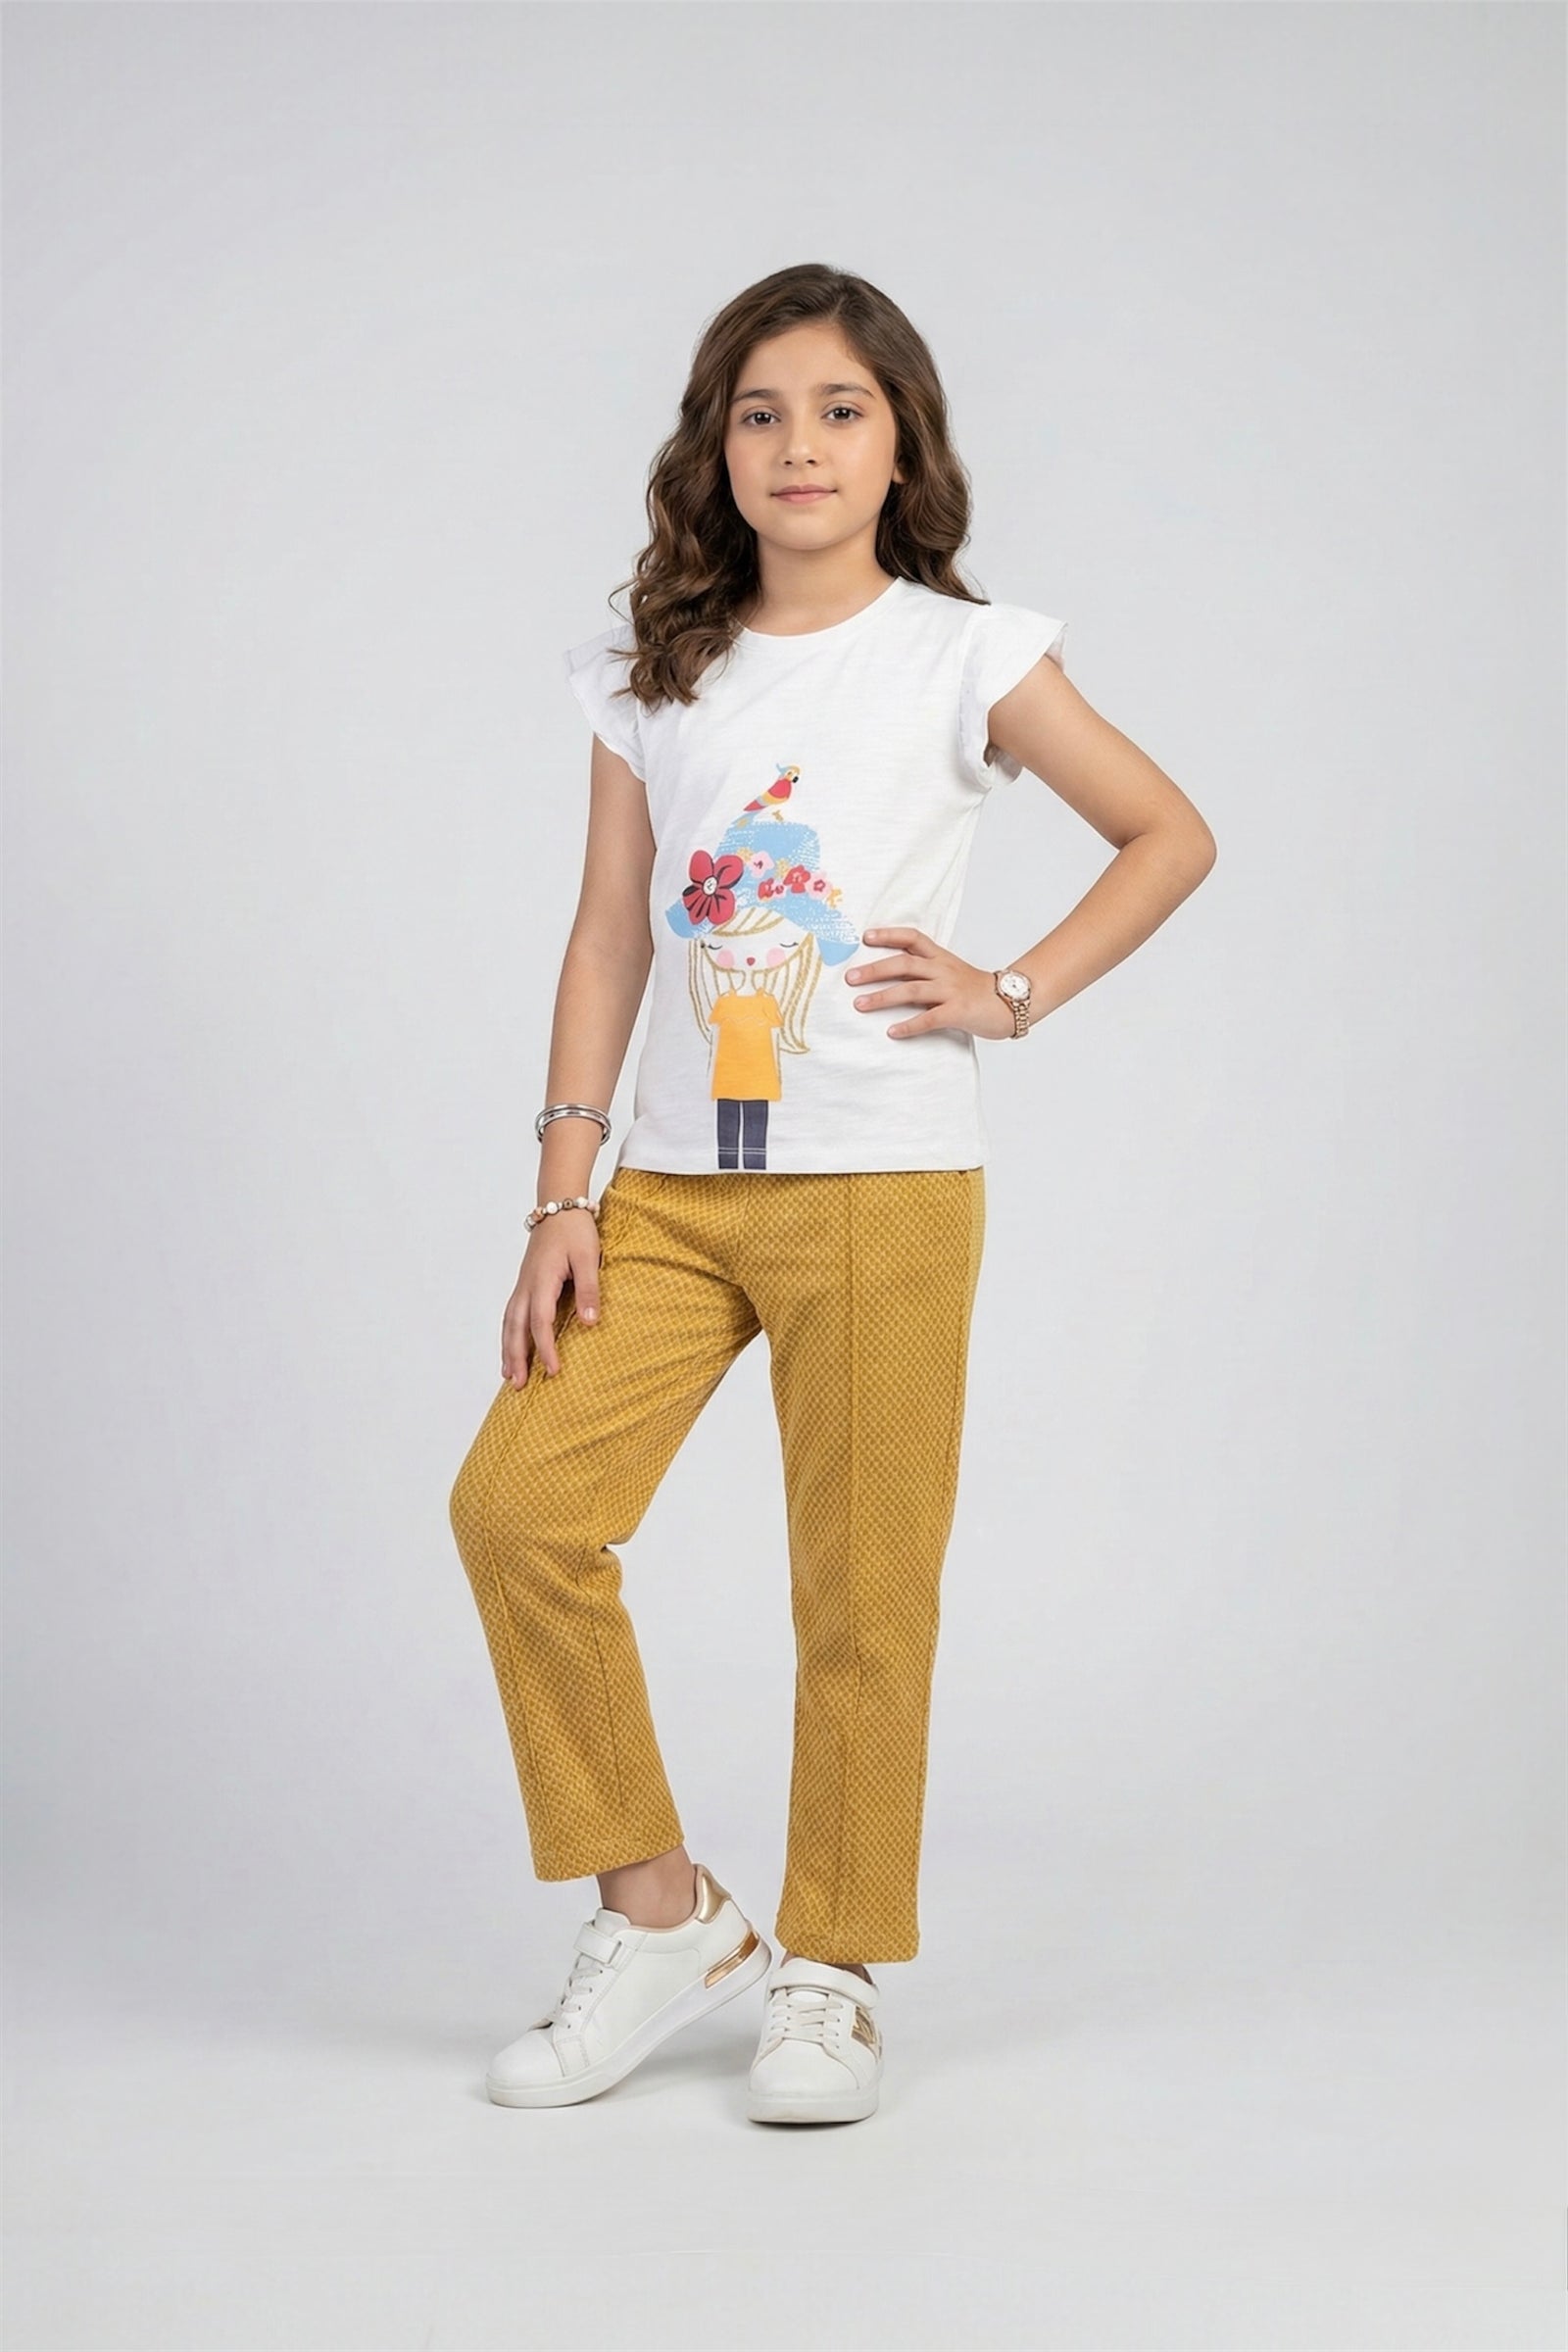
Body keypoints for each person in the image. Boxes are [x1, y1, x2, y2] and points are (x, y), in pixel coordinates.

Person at [448, 261, 1216, 2128]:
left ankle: (833, 1969)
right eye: (762, 411)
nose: (800, 443)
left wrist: (1011, 990)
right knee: (520, 1509)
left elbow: (1167, 832)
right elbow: (609, 934)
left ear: (901, 445)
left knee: (865, 1595)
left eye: (841, 409)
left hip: (887, 1185)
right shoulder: (657, 673)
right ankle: (662, 1917)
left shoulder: (970, 654)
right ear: (715, 449)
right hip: (674, 1193)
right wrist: (562, 1195)